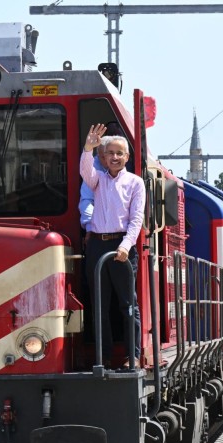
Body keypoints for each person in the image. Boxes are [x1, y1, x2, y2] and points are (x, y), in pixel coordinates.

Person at [80, 123, 145, 367]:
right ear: (103, 158)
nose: (115, 157)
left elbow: (136, 219)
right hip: (98, 245)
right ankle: (103, 356)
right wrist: (88, 148)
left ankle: (133, 355)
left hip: (122, 245)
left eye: (119, 153)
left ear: (127, 157)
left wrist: (126, 246)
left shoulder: (135, 183)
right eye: (110, 153)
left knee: (128, 303)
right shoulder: (98, 181)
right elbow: (86, 171)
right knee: (99, 304)